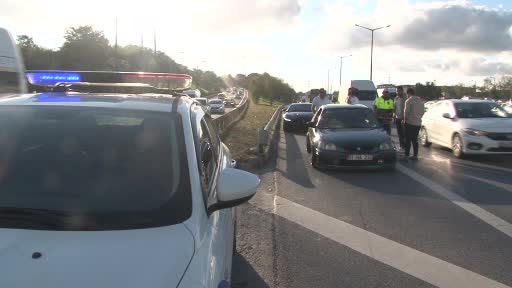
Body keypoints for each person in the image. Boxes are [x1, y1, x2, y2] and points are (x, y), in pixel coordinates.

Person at [403, 87, 425, 160]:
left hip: (410, 122)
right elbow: (422, 112)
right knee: (415, 140)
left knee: (407, 139)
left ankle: (406, 155)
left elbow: (406, 112)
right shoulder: (421, 101)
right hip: (418, 123)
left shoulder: (408, 101)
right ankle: (415, 155)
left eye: (407, 94)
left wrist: (405, 120)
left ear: (408, 93)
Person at [394, 86, 406, 151]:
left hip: (403, 118)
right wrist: (394, 116)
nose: (397, 92)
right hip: (397, 118)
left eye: (398, 91)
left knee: (404, 133)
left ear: (402, 91)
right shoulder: (396, 98)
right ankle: (401, 146)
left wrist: (404, 117)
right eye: (397, 91)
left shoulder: (405, 98)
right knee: (399, 133)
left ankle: (404, 146)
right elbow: (395, 108)